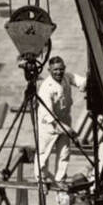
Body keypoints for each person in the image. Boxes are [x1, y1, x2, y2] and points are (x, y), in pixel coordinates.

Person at [36, 56, 88, 185]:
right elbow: (49, 115)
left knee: (64, 153)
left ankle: (60, 179)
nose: (58, 72)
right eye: (55, 70)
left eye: (61, 69)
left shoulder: (66, 77)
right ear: (49, 70)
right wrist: (69, 131)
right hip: (49, 125)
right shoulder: (46, 88)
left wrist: (90, 77)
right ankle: (41, 180)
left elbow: (81, 82)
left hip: (64, 119)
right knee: (43, 154)